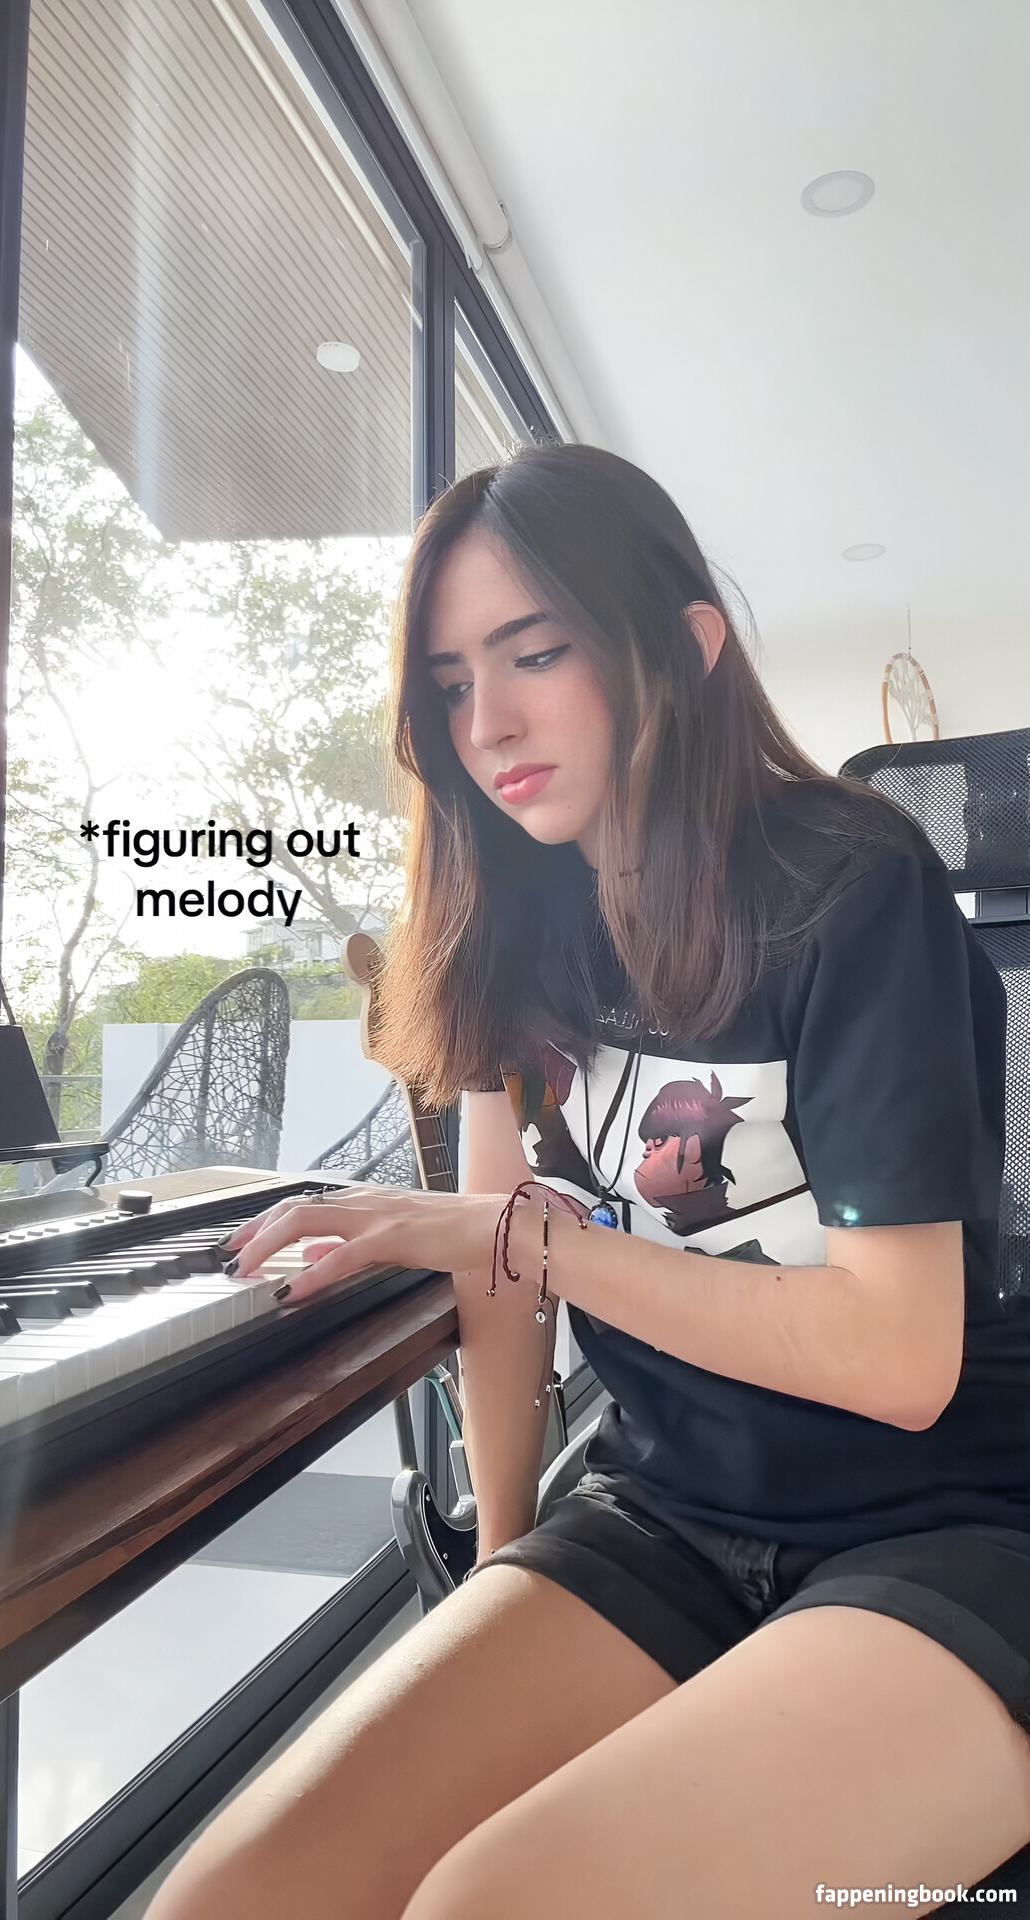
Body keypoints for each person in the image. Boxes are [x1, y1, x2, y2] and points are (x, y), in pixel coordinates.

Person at [147, 447, 1030, 1920]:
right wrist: (508, 1564)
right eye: (450, 682)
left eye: (536, 654)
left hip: (942, 1522)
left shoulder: (846, 885)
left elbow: (898, 1359)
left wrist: (530, 1241)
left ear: (685, 648)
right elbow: (502, 1282)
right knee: (235, 1895)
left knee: (495, 1903)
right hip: (665, 1509)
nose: (485, 724)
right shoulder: (515, 924)